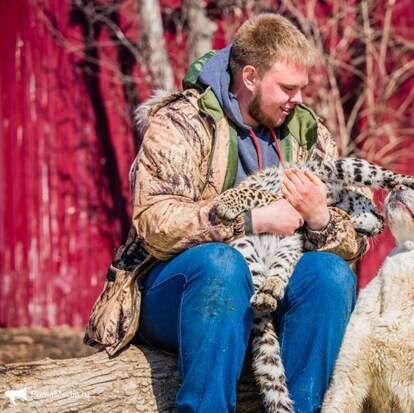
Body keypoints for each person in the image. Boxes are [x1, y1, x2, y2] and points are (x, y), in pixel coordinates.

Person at [88, 13, 373, 413]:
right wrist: (250, 221)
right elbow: (154, 221)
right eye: (288, 88)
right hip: (180, 290)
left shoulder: (305, 133)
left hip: (268, 289)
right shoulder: (184, 121)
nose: (298, 99)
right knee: (221, 266)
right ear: (251, 77)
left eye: (301, 89)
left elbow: (358, 230)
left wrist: (321, 218)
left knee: (331, 276)